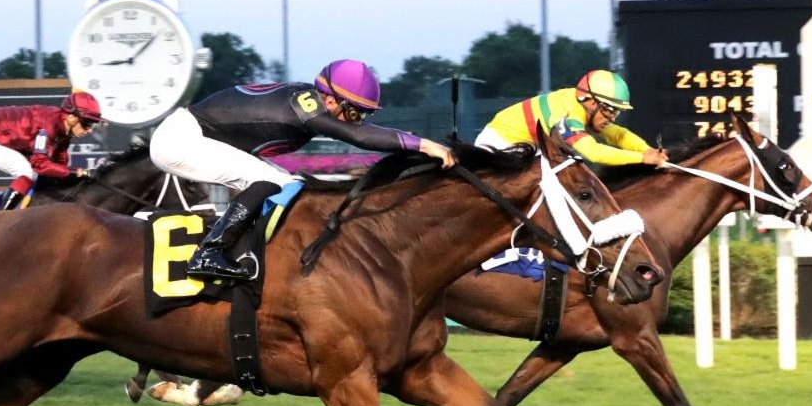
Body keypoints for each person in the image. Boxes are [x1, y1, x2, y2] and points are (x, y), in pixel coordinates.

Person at [150, 59, 457, 280]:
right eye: (354, 113)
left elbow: (360, 131)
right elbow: (361, 137)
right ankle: (208, 253)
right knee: (272, 181)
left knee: (291, 184)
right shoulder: (307, 108)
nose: (357, 121)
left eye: (363, 115)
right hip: (181, 139)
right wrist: (424, 144)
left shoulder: (312, 100)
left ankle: (248, 250)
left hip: (195, 134)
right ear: (330, 100)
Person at [475, 69, 669, 168]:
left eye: (617, 112)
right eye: (610, 110)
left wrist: (648, 150)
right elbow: (594, 154)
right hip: (501, 144)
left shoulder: (584, 106)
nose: (612, 118)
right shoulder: (569, 116)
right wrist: (642, 158)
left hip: (525, 146)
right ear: (591, 102)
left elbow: (618, 135)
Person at [0, 90, 108, 210]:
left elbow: (60, 164)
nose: (89, 130)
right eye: (87, 124)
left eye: (92, 125)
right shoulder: (46, 128)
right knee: (27, 173)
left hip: (2, 134)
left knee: (42, 175)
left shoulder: (63, 129)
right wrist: (76, 173)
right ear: (71, 118)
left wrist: (71, 176)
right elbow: (40, 165)